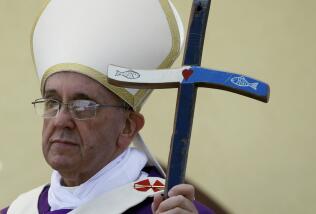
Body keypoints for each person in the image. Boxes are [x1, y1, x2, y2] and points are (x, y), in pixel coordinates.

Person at [1, 0, 214, 213]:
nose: (60, 120)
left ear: (127, 127)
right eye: (52, 102)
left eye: (83, 105)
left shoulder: (172, 208)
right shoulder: (18, 210)